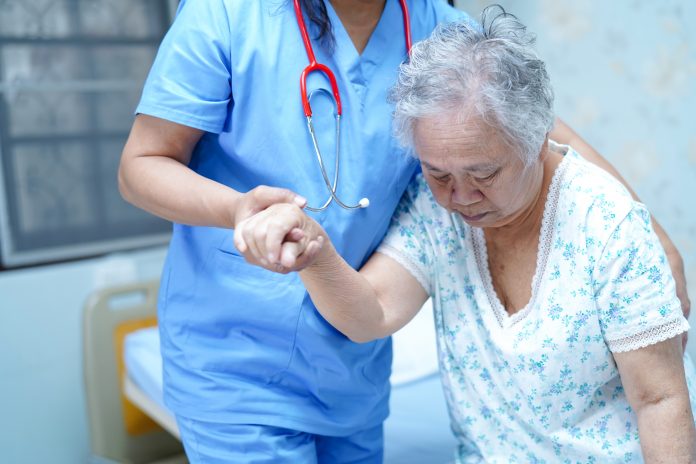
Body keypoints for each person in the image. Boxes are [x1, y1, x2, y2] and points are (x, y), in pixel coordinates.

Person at [118, 0, 689, 462]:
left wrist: (649, 234)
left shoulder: (438, 26)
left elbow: (533, 125)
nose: (460, 193)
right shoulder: (227, 14)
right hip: (236, 353)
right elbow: (140, 165)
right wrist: (241, 210)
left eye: (481, 174)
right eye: (440, 175)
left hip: (350, 366)